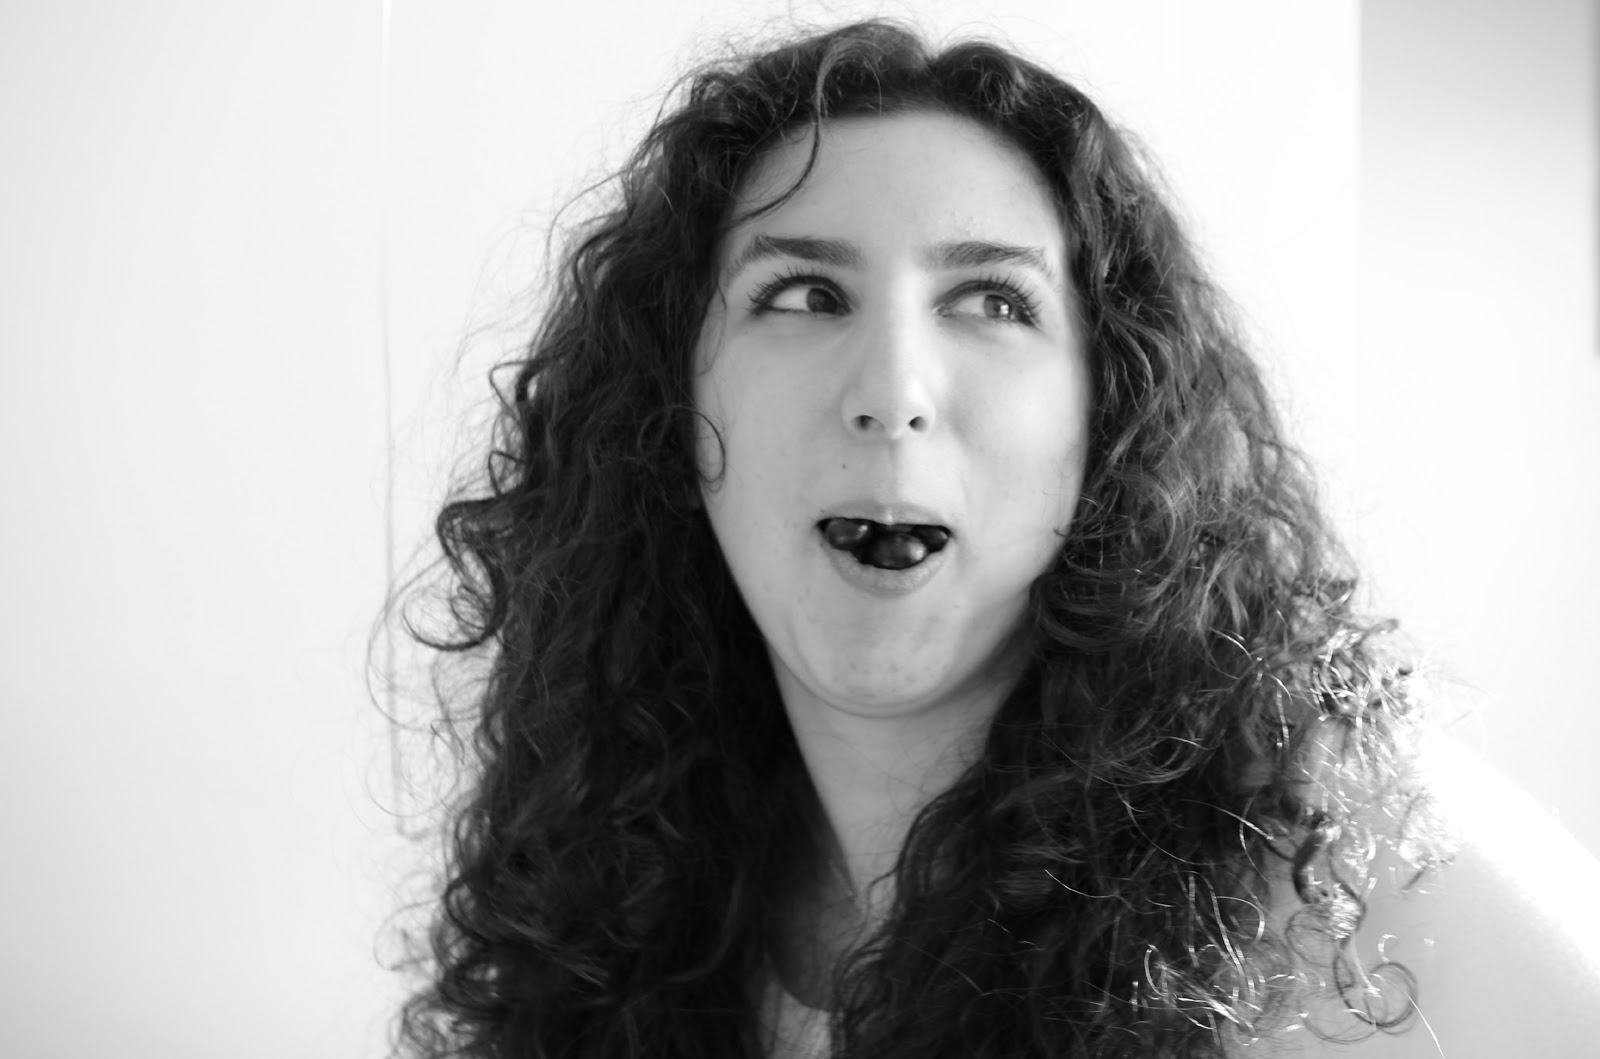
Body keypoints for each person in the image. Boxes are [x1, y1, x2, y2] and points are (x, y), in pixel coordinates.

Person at [387, 19, 1600, 1059]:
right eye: (804, 295)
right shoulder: (623, 876)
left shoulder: (1356, 865)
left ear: (1107, 416)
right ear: (671, 406)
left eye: (991, 302)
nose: (892, 390)